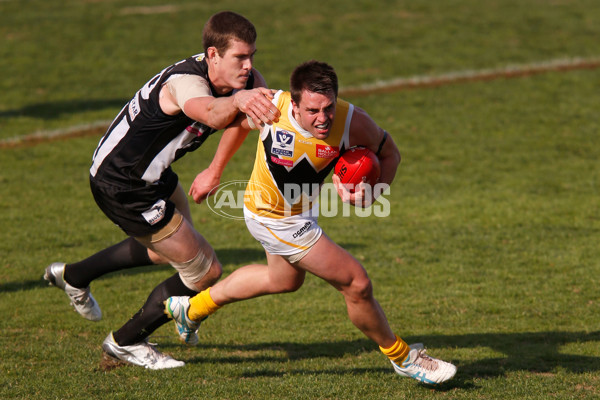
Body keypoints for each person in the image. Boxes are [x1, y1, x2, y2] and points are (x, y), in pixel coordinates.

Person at [164, 60, 457, 384]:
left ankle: (190, 309)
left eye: (328, 108)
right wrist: (214, 171)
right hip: (272, 218)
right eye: (313, 110)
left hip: (301, 211)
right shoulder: (273, 108)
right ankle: (404, 358)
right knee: (356, 283)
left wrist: (373, 193)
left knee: (284, 281)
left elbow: (391, 154)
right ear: (296, 103)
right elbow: (238, 124)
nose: (323, 118)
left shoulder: (352, 122)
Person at [43, 11, 280, 370]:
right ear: (213, 55)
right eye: (240, 57)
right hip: (123, 183)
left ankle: (73, 276)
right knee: (205, 271)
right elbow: (215, 113)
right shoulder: (185, 84)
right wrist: (241, 101)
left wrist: (215, 170)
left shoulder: (242, 81)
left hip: (153, 175)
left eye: (252, 56)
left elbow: (241, 120)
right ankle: (126, 341)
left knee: (171, 252)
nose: (248, 66)